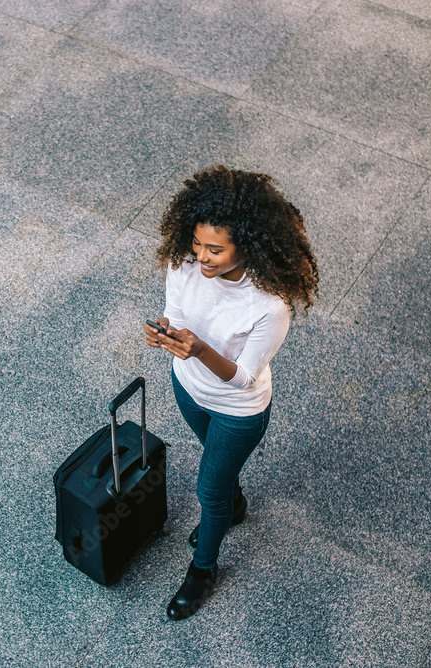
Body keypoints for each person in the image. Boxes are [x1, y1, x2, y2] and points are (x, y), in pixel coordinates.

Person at [144, 165, 319, 620]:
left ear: (248, 243)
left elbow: (243, 376)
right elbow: (174, 310)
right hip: (187, 388)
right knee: (220, 481)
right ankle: (234, 504)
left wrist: (198, 349)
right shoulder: (182, 261)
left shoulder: (268, 303)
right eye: (198, 243)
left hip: (236, 411)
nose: (201, 257)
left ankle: (203, 572)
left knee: (209, 490)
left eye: (215, 249)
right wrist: (165, 332)